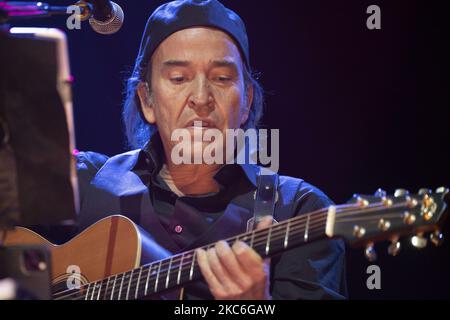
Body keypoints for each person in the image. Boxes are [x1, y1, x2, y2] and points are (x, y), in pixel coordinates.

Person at [76, 0, 347, 300]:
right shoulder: (87, 183)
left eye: (222, 78)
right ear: (147, 100)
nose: (202, 98)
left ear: (246, 101)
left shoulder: (298, 210)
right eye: (179, 78)